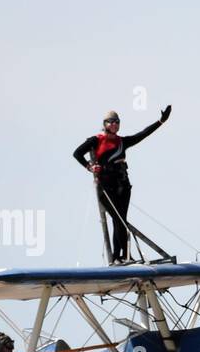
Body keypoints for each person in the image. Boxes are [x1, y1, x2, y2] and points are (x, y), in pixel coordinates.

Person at [72, 106, 171, 262]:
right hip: (105, 187)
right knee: (119, 220)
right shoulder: (96, 140)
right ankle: (123, 256)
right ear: (105, 124)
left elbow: (142, 134)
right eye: (111, 122)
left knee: (121, 220)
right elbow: (77, 153)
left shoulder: (122, 142)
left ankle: (120, 256)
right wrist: (89, 166)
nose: (114, 124)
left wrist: (161, 121)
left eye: (117, 122)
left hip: (123, 186)